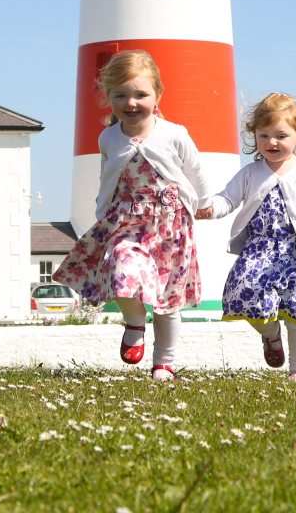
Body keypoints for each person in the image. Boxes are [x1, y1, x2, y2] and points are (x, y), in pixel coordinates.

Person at [53, 50, 211, 380]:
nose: (132, 102)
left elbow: (195, 171)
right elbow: (107, 176)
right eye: (121, 95)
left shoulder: (174, 134)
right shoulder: (108, 137)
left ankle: (164, 362)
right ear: (108, 97)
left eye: (141, 94)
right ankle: (135, 322)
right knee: (121, 270)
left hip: (170, 227)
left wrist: (205, 202)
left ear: (157, 95)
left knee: (169, 302)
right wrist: (102, 212)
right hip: (127, 223)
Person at [196, 92, 296, 384]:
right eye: (264, 135)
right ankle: (271, 335)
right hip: (259, 251)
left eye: (281, 135)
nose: (272, 142)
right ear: (254, 137)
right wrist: (211, 208)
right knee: (245, 295)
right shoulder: (251, 173)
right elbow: (229, 198)